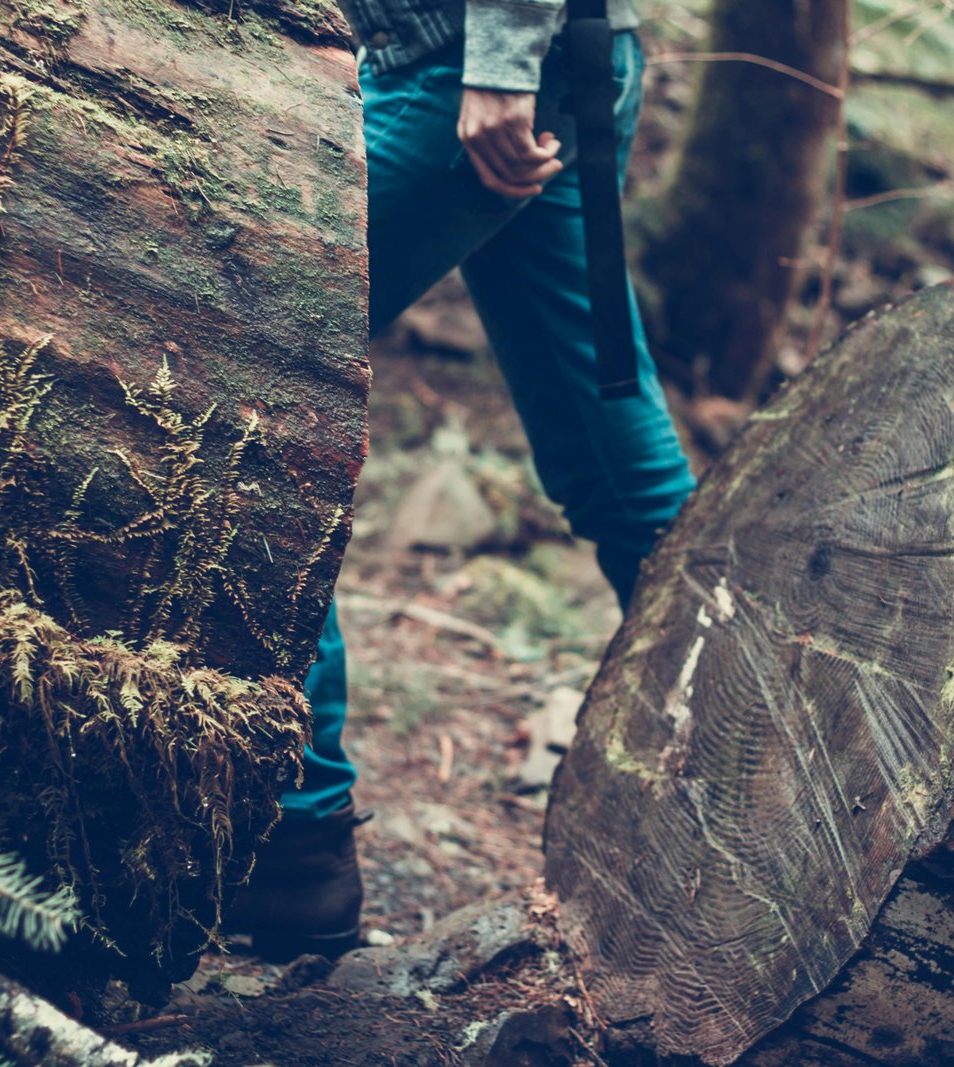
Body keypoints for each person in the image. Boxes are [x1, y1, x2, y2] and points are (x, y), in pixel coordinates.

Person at [229, 0, 696, 961]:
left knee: (238, 366)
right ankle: (749, 774)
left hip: (482, 79)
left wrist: (500, 64)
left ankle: (293, 834)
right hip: (556, 60)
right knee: (610, 446)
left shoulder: (488, 72)